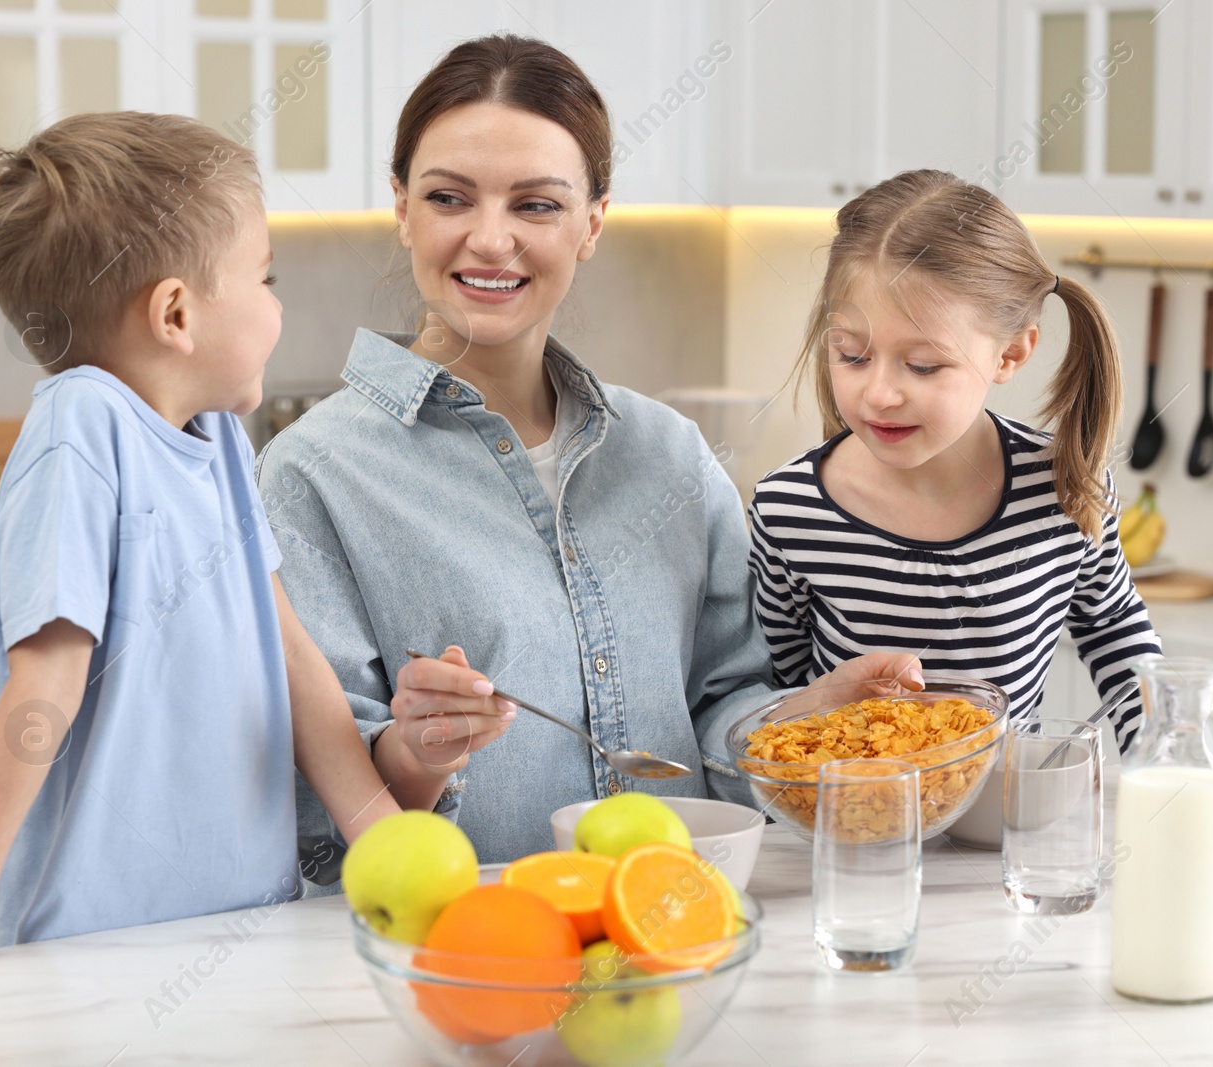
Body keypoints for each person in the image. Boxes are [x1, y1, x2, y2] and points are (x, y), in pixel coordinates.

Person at [258, 34, 923, 873]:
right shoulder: (310, 475)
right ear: (401, 206)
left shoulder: (671, 456)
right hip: (468, 952)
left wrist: (800, 720)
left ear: (592, 223)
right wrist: (416, 749)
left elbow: (720, 711)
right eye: (449, 198)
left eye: (535, 205)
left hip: (676, 922)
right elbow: (317, 821)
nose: (490, 240)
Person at [0, 113, 472, 981]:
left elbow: (290, 653)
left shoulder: (216, 439)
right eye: (266, 276)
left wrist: (380, 835)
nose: (279, 303)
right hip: (94, 947)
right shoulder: (80, 432)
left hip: (248, 925)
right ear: (176, 312)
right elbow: (42, 691)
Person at [748, 169, 1163, 753]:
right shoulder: (790, 508)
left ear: (1012, 353)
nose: (880, 394)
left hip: (1005, 831)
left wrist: (1170, 751)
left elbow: (1114, 628)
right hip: (849, 831)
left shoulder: (1064, 490)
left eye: (922, 366)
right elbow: (771, 688)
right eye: (852, 356)